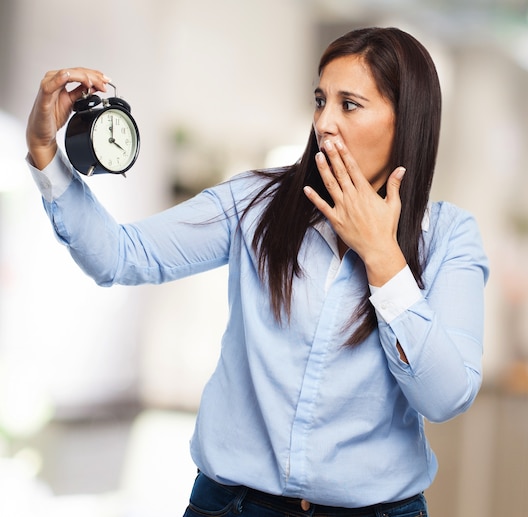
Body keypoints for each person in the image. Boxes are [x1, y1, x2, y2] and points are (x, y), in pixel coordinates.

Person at [26, 27, 488, 517]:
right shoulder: (255, 204)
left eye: (349, 104)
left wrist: (382, 257)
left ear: (406, 121)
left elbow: (445, 397)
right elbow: (122, 255)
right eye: (320, 100)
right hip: (234, 505)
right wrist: (45, 150)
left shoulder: (448, 238)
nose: (325, 123)